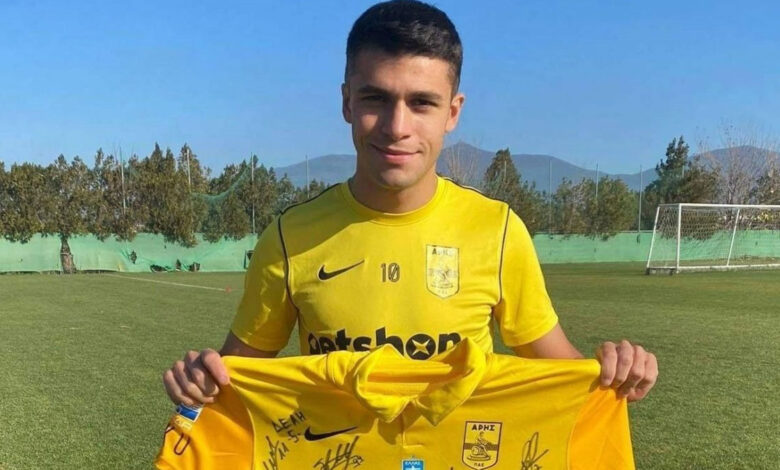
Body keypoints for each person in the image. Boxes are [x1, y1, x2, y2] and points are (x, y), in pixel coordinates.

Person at [163, 0, 657, 409]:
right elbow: (233, 379)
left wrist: (617, 370)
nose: (397, 127)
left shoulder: (497, 230)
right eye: (375, 99)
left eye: (422, 103)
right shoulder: (291, 238)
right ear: (346, 102)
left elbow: (562, 369)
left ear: (453, 112)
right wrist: (199, 380)